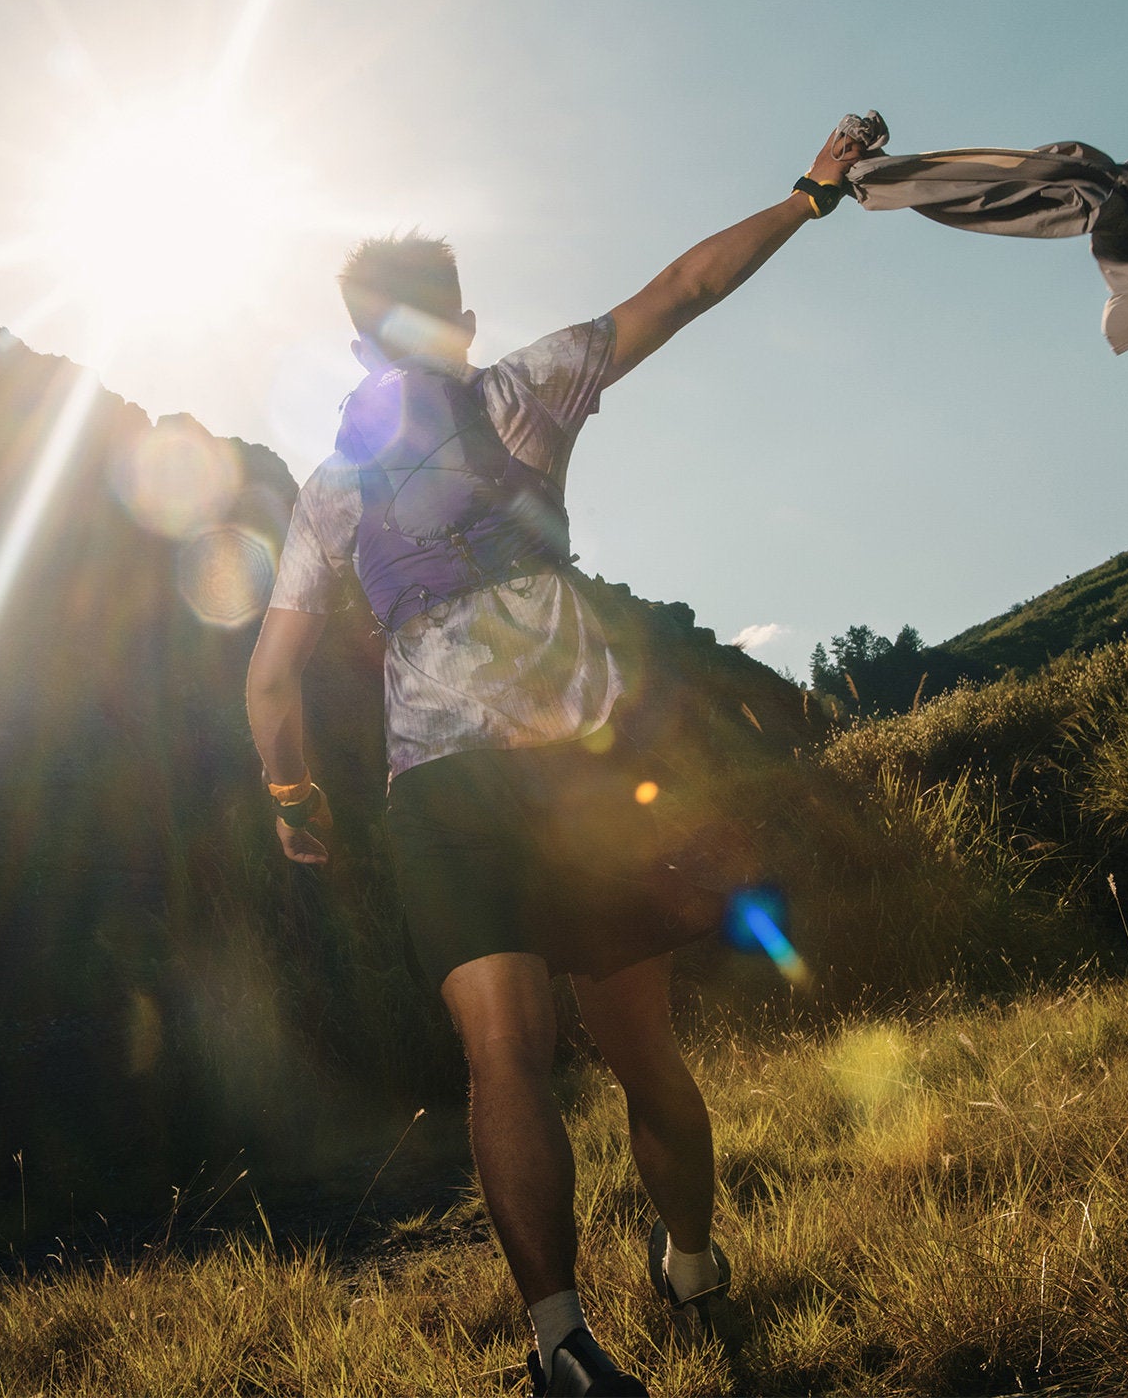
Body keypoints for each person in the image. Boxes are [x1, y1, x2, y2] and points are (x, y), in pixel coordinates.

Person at [246, 119, 870, 1397]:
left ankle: (561, 1345)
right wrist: (811, 194)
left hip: (440, 794)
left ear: (361, 351)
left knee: (503, 1059)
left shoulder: (329, 493)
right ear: (462, 325)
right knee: (641, 1048)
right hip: (581, 774)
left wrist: (294, 797)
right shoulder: (526, 388)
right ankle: (691, 1265)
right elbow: (687, 287)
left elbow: (268, 682)